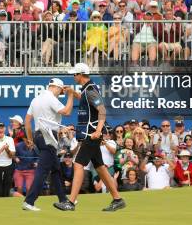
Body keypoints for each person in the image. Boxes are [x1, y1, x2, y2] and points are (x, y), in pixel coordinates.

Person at [55, 63, 125, 212]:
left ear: (80, 75)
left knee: (78, 164)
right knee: (100, 168)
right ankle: (117, 199)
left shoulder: (90, 89)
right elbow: (86, 100)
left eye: (74, 74)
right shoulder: (87, 89)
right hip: (90, 134)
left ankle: (71, 202)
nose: (73, 76)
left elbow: (102, 110)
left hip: (91, 136)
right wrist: (73, 93)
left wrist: (98, 130)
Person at [23, 78, 75, 211]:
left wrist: (30, 139)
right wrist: (70, 96)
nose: (60, 93)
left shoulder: (35, 100)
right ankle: (29, 201)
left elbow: (27, 122)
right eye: (61, 91)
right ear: (56, 87)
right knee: (42, 170)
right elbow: (67, 112)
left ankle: (63, 200)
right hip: (49, 137)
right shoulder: (51, 98)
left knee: (56, 170)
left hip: (39, 136)